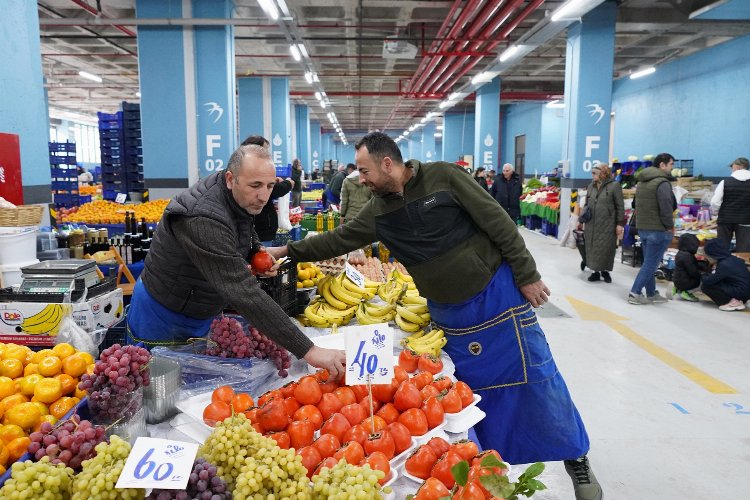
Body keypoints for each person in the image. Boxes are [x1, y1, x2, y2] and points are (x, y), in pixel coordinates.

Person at [268, 132, 601, 500]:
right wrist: (286, 250)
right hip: (450, 316)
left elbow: (498, 222)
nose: (361, 180)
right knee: (473, 399)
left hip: (499, 297)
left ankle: (576, 457)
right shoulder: (379, 212)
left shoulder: (444, 177)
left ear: (387, 164)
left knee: (537, 379)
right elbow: (337, 240)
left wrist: (526, 274)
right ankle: (487, 470)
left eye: (365, 171)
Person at [127, 144, 345, 378]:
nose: (264, 196)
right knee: (159, 386)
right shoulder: (202, 216)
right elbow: (242, 291)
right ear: (231, 179)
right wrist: (308, 349)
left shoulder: (233, 194)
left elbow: (241, 224)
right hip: (163, 313)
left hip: (198, 306)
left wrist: (255, 253)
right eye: (255, 186)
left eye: (270, 186)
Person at [628, 153, 677, 305]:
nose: (672, 168)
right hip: (658, 229)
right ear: (662, 165)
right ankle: (635, 293)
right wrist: (670, 226)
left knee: (648, 262)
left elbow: (635, 204)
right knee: (651, 263)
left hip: (643, 228)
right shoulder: (662, 183)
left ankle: (651, 293)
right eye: (671, 165)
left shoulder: (642, 182)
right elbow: (666, 207)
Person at [240, 136, 294, 246]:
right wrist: (288, 184)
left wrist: (272, 181)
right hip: (259, 230)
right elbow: (270, 191)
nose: (268, 154)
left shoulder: (247, 166)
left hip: (258, 229)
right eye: (265, 150)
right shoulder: (251, 167)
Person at [581, 163, 624, 283]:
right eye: (592, 173)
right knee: (592, 247)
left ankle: (605, 271)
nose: (592, 175)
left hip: (607, 224)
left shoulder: (614, 186)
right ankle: (594, 272)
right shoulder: (591, 186)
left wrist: (619, 223)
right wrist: (582, 219)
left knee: (606, 248)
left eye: (595, 173)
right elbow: (586, 204)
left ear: (603, 174)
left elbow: (620, 206)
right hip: (591, 223)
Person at [710, 157, 750, 252]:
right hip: (746, 220)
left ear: (737, 167)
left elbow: (715, 202)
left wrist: (716, 212)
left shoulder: (725, 182)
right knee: (744, 250)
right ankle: (742, 266)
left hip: (725, 219)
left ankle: (722, 265)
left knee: (722, 247)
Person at [701, 238, 750, 311]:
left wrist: (702, 274)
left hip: (741, 292)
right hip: (745, 291)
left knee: (706, 287)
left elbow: (709, 281)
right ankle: (738, 300)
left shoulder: (724, 264)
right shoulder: (732, 259)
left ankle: (730, 302)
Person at [669, 233, 705, 301]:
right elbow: (693, 272)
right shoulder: (688, 256)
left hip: (677, 279)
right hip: (685, 282)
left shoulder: (680, 253)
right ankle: (687, 292)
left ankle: (677, 288)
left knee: (683, 276)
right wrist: (701, 274)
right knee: (702, 281)